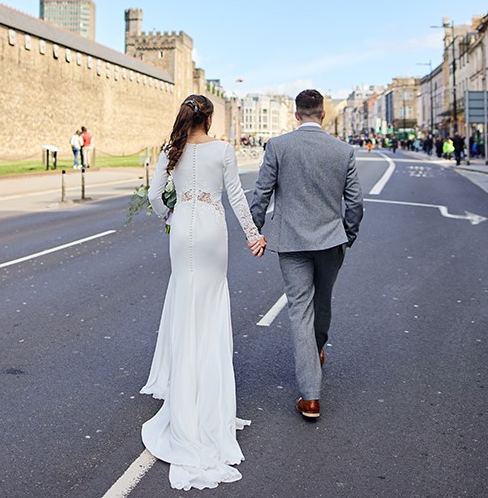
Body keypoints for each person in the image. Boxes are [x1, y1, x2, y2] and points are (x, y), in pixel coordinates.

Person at [141, 94, 266, 490]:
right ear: (209, 118)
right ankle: (208, 401)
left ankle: (184, 396)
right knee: (210, 309)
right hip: (212, 231)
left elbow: (153, 196)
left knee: (184, 302)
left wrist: (170, 216)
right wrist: (253, 236)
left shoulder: (170, 150)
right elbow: (236, 198)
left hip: (183, 232)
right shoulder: (224, 150)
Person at [248, 89, 364, 422]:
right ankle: (315, 360)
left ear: (296, 115)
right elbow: (354, 203)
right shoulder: (343, 150)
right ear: (323, 114)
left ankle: (310, 397)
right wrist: (348, 236)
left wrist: (255, 231)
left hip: (292, 242)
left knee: (300, 311)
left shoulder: (279, 146)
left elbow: (262, 193)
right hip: (331, 242)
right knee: (323, 302)